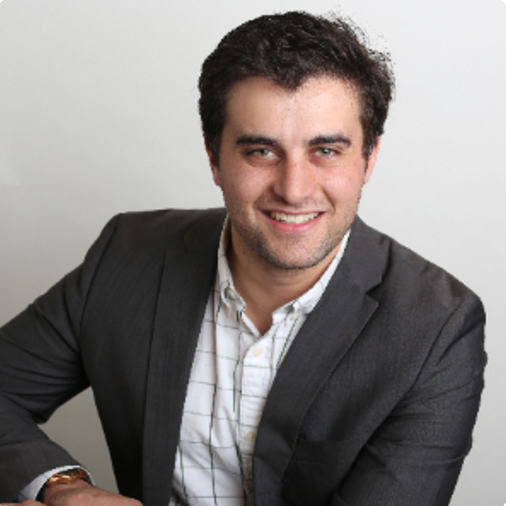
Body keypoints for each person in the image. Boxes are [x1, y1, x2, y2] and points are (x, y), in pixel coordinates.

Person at [0, 11, 486, 506]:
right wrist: (61, 486)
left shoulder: (436, 325)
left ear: (369, 158)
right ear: (214, 158)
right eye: (261, 151)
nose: (294, 189)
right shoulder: (127, 255)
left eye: (325, 150)